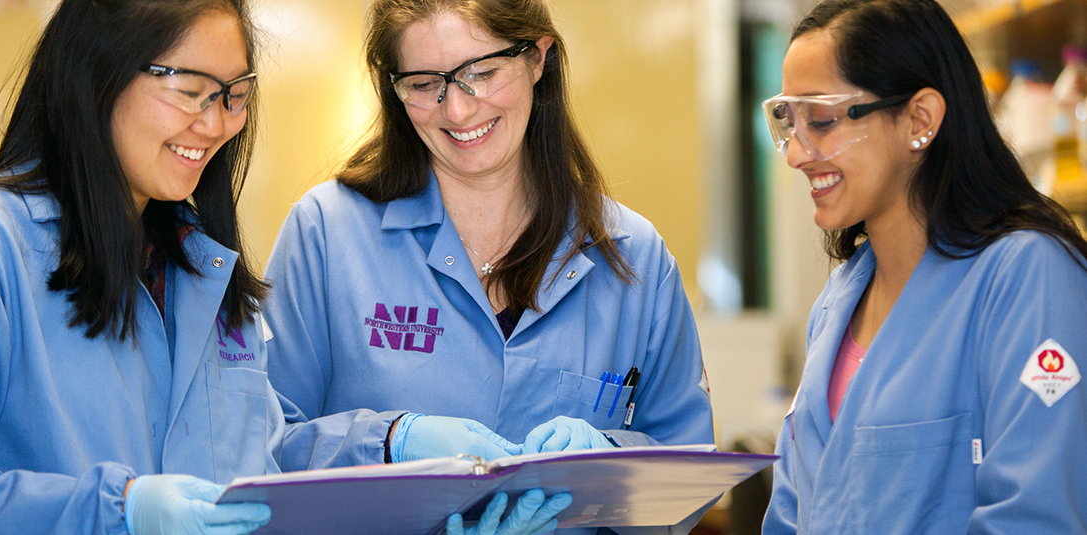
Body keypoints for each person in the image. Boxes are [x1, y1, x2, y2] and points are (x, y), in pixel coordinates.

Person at [0, 0, 569, 534]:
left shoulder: (195, 269)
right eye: (190, 89)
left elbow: (265, 469)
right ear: (96, 74)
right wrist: (117, 511)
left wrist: (400, 450)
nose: (216, 123)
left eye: (234, 94)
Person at [263, 0, 715, 532]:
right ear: (394, 89)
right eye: (424, 83)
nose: (457, 109)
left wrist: (606, 462)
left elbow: (690, 479)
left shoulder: (633, 257)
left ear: (537, 58)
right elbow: (265, 447)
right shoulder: (326, 232)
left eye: (481, 73)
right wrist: (390, 442)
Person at [760, 0, 1087, 533]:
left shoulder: (1028, 276)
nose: (796, 153)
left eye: (820, 120)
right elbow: (791, 514)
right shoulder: (840, 298)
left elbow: (1036, 516)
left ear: (919, 119)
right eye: (788, 121)